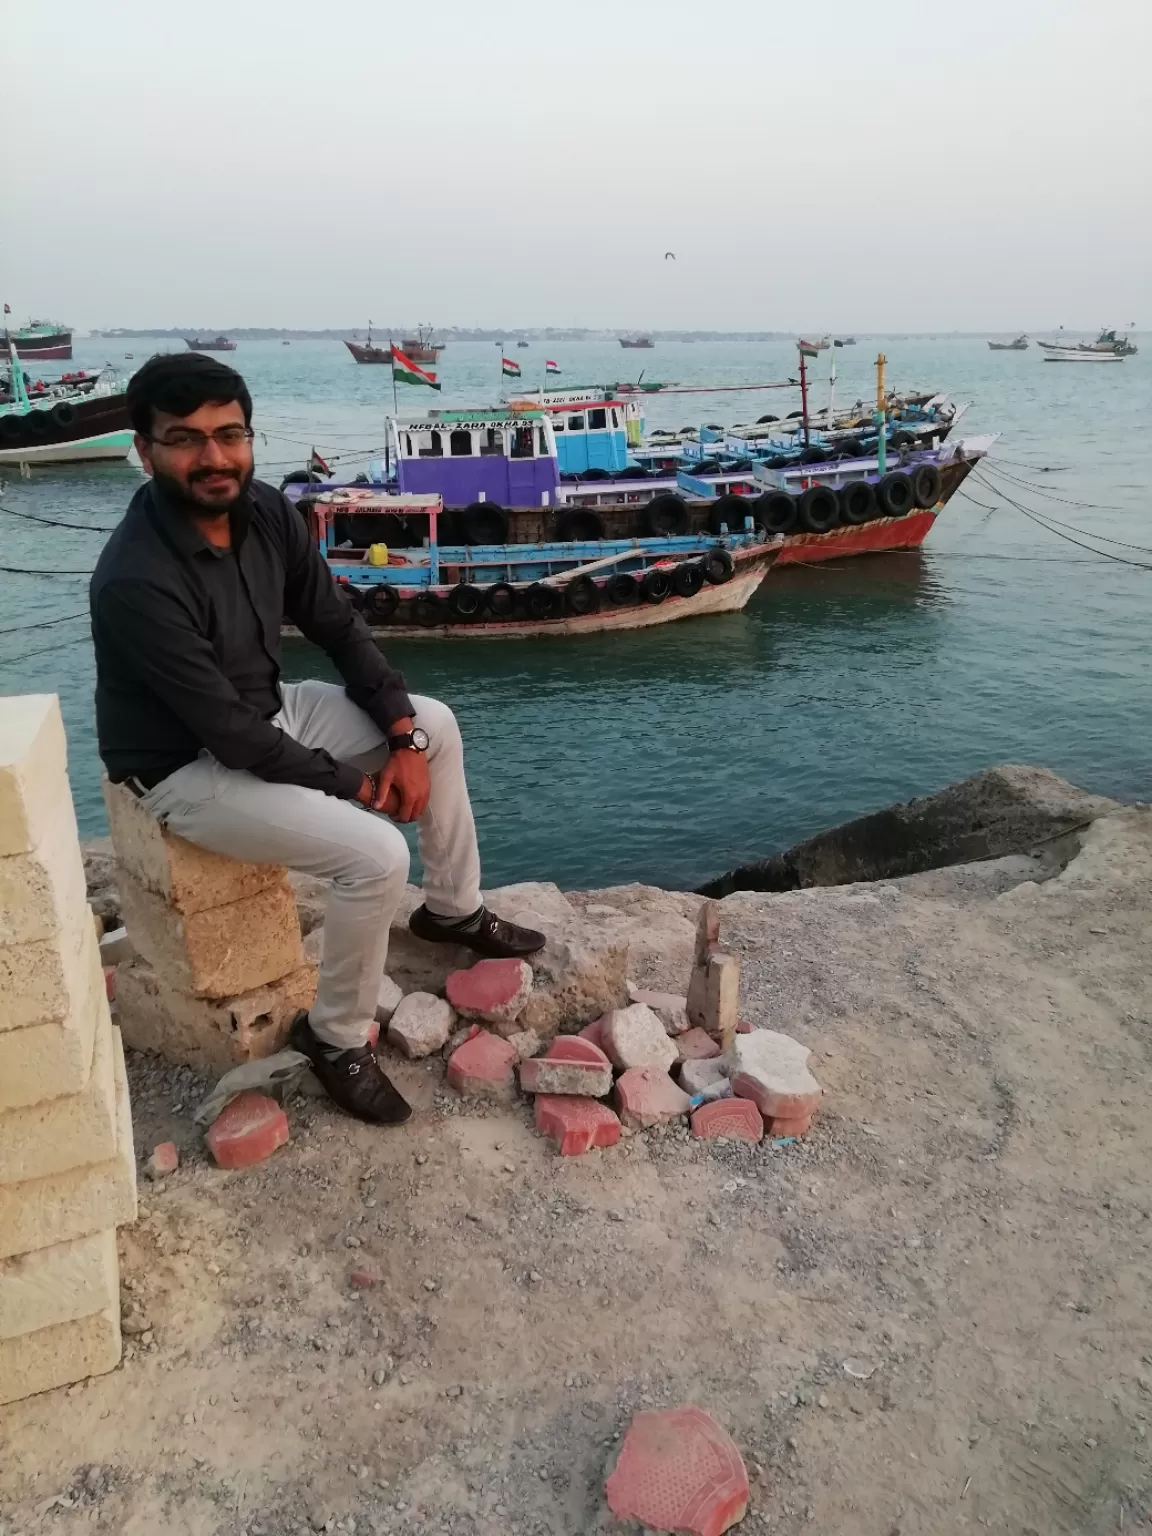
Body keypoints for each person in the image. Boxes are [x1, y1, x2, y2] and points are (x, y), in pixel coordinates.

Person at [90, 353, 544, 1126]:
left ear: (250, 437)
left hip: (269, 710)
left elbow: (336, 626)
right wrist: (365, 787)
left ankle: (453, 910)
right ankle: (334, 1038)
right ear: (145, 450)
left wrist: (402, 739)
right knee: (374, 855)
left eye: (229, 434)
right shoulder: (136, 579)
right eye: (185, 439)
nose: (213, 457)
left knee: (436, 723)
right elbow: (231, 738)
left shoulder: (266, 512)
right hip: (185, 764)